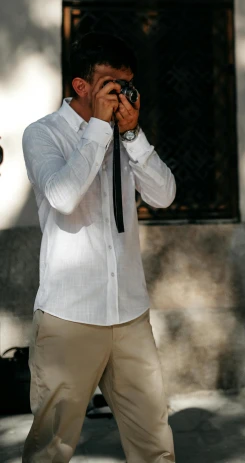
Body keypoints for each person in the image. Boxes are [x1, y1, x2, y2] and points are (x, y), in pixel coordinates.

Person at [22, 32, 176, 463]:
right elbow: (63, 196)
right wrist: (96, 133)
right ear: (81, 86)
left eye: (125, 85)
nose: (119, 95)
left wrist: (132, 135)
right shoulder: (43, 135)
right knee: (51, 447)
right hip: (69, 315)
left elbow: (164, 195)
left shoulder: (125, 135)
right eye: (110, 84)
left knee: (155, 443)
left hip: (130, 313)